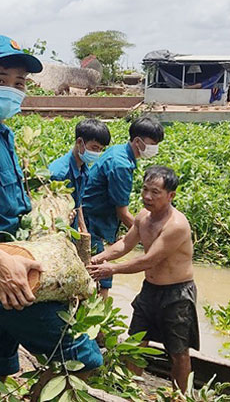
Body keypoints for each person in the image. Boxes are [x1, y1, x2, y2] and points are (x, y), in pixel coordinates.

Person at [0, 35, 102, 395]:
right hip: (3, 278)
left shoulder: (0, 132)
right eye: (0, 80)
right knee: (84, 359)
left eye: (19, 83)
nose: (11, 89)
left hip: (8, 271)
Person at [88, 166, 197, 392]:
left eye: (155, 192)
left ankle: (180, 396)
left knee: (178, 351)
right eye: (145, 189)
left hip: (176, 293)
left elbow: (148, 261)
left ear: (171, 195)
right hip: (150, 290)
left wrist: (112, 270)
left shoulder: (175, 226)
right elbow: (125, 245)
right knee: (136, 341)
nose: (147, 196)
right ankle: (129, 390)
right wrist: (100, 257)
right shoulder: (143, 217)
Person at [82, 116, 164, 298]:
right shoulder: (120, 164)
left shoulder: (118, 152)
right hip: (92, 222)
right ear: (137, 141)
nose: (154, 148)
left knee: (96, 269)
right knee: (100, 274)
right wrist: (147, 234)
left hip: (98, 218)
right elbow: (123, 212)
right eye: (152, 143)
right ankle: (98, 319)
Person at [47, 118, 111, 218]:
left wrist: (83, 228)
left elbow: (78, 203)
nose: (97, 153)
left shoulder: (84, 169)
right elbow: (50, 211)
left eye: (100, 149)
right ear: (80, 142)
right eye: (94, 148)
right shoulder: (59, 173)